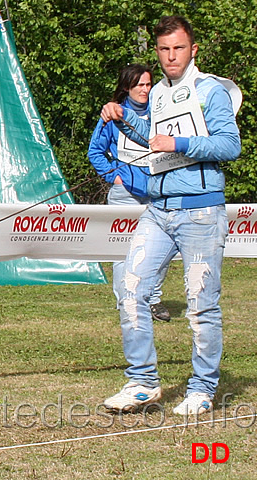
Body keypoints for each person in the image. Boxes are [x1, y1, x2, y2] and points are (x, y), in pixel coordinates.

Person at [100, 15, 241, 416]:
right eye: (164, 49)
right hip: (157, 211)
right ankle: (142, 381)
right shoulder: (157, 93)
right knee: (129, 291)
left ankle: (202, 388)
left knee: (201, 305)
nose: (170, 56)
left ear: (192, 49)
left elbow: (230, 145)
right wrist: (123, 117)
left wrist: (177, 141)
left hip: (201, 212)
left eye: (178, 48)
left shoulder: (210, 90)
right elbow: (154, 141)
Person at [87, 64, 171, 322]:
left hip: (159, 192)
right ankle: (126, 301)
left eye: (148, 84)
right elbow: (95, 152)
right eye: (139, 86)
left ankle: (153, 300)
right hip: (126, 193)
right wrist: (116, 177)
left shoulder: (162, 112)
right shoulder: (113, 114)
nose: (145, 90)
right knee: (123, 251)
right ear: (127, 88)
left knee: (163, 249)